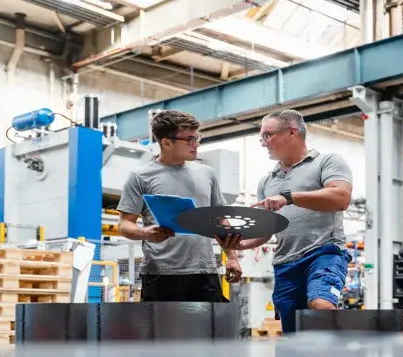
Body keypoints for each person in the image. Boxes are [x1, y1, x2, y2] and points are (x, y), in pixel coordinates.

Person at [217, 109, 353, 333]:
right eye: (261, 137)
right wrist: (239, 245)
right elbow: (268, 230)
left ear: (292, 132)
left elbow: (341, 198)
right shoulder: (267, 182)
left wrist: (289, 197)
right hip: (285, 263)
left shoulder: (327, 162)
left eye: (267, 135)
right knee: (292, 332)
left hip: (324, 252)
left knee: (321, 305)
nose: (263, 143)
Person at [116, 110, 242, 302]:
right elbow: (124, 224)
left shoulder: (207, 174)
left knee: (210, 330)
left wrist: (232, 257)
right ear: (166, 143)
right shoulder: (140, 176)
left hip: (204, 271)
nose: (196, 144)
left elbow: (220, 219)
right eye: (190, 139)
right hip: (160, 273)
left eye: (197, 137)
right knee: (163, 331)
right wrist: (145, 233)